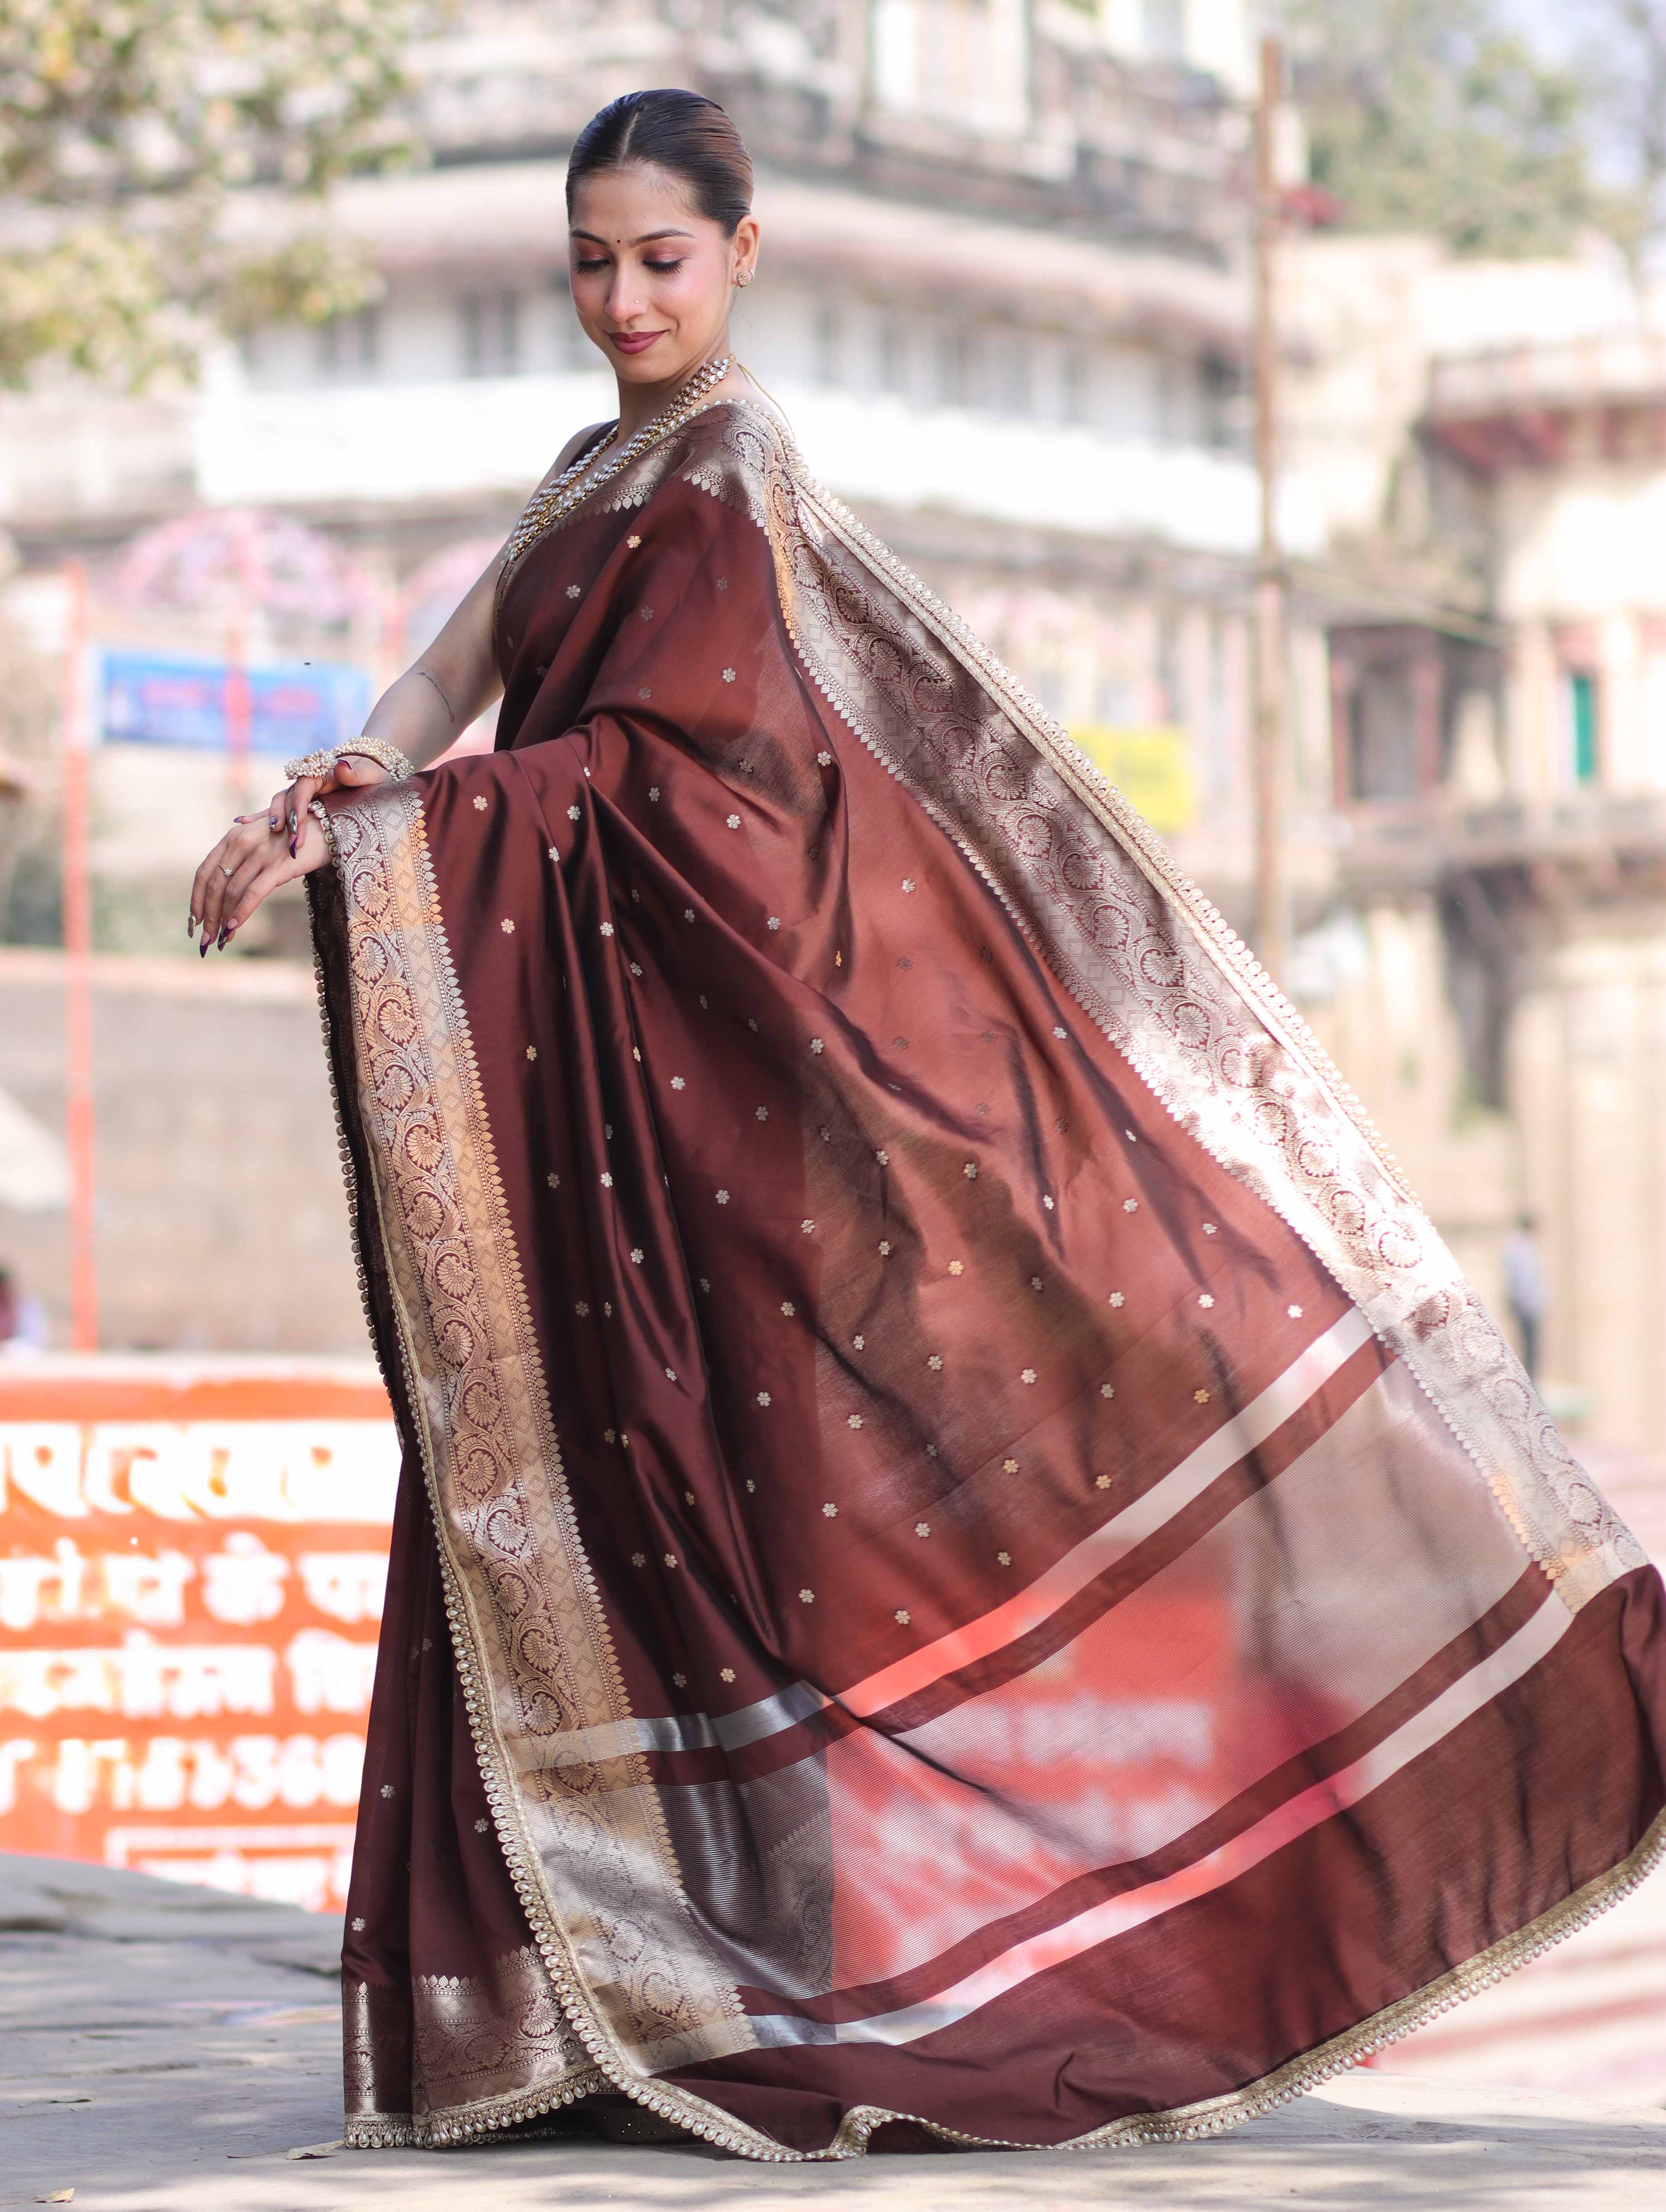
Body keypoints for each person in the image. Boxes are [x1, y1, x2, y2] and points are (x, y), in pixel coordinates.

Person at [189, 89, 1666, 2164]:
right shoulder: (582, 473)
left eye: (663, 258)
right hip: (608, 1119)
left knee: (777, 1545)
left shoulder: (736, 476)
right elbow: (453, 669)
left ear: (745, 254)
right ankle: (611, 1991)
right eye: (593, 260)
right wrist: (337, 800)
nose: (625, 295)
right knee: (585, 1514)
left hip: (730, 1112)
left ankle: (806, 1986)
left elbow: (716, 794)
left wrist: (426, 836)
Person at [1502, 1211, 1549, 1385]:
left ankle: (1530, 1380)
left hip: (1527, 1302)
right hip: (1528, 1304)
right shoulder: (1521, 1246)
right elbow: (1524, 1277)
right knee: (1529, 1347)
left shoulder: (1518, 1244)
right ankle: (1530, 1382)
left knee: (1530, 1347)